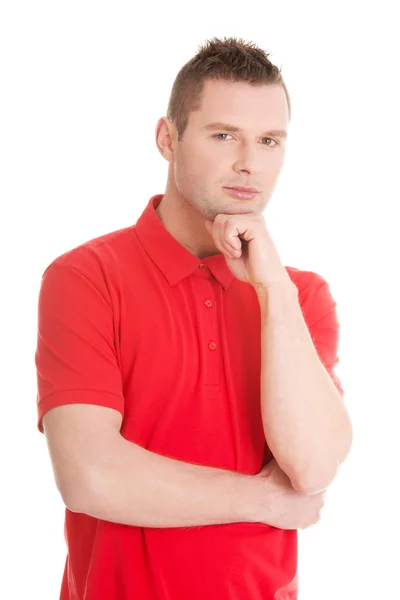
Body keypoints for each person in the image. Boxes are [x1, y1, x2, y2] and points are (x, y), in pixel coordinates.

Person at [35, 37, 353, 600]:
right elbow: (89, 475)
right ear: (167, 138)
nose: (249, 162)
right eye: (224, 134)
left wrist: (272, 288)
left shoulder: (299, 295)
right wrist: (263, 499)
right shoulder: (86, 277)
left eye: (269, 141)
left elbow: (313, 468)